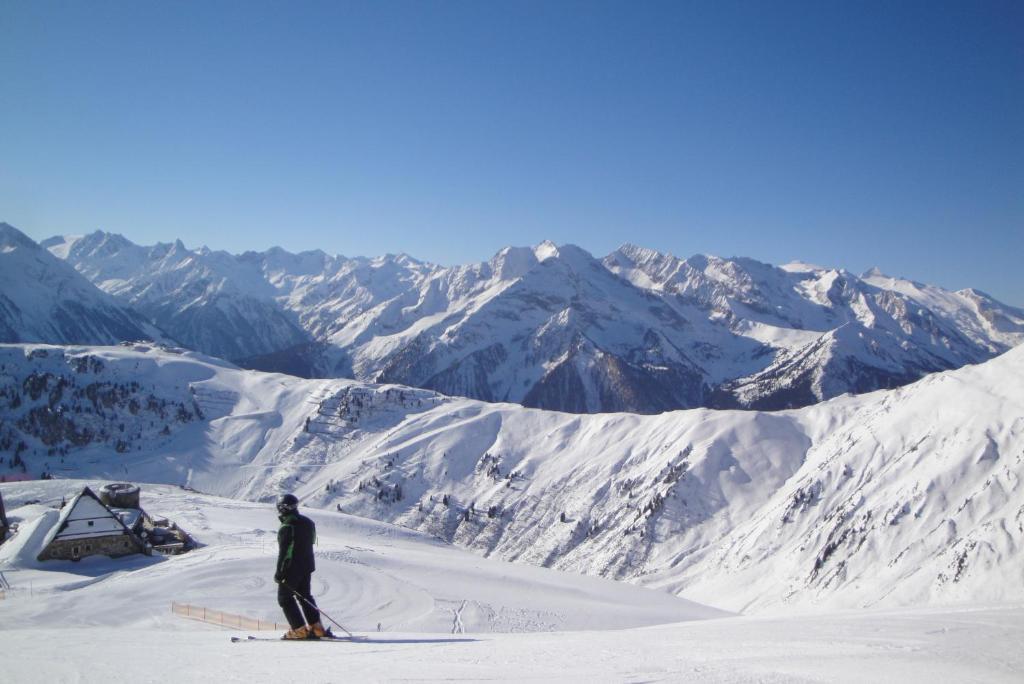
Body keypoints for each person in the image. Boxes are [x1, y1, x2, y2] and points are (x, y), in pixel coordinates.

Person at [274, 493, 328, 639]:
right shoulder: (309, 523)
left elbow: (285, 553)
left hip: (292, 568)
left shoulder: (287, 527)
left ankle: (299, 630)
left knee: (284, 598)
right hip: (307, 566)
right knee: (305, 596)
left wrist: (279, 573)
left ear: (282, 508)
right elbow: (311, 542)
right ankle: (317, 628)